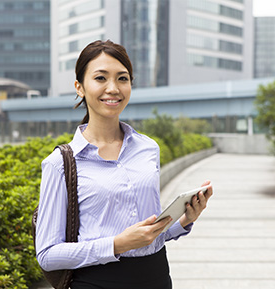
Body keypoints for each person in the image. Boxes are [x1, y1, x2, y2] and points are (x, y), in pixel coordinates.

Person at [35, 40, 213, 289]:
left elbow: (148, 237)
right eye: (100, 78)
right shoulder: (60, 164)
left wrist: (184, 220)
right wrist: (117, 244)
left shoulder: (148, 149)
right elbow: (47, 254)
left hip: (156, 277)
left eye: (122, 78)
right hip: (97, 281)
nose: (113, 88)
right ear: (79, 87)